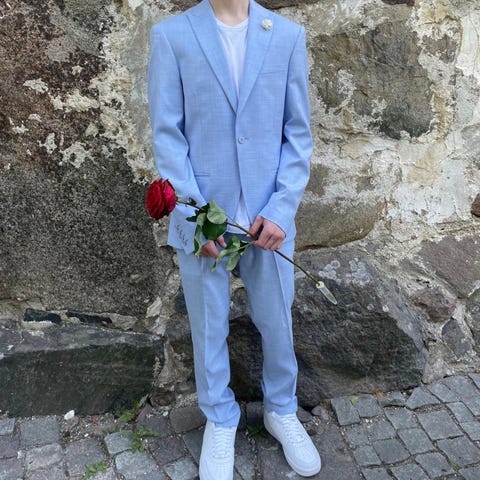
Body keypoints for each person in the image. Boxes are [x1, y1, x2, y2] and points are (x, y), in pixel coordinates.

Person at [148, 0, 321, 478]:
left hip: (268, 222)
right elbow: (168, 136)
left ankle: (281, 409)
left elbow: (298, 133)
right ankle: (220, 418)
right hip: (206, 219)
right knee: (208, 327)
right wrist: (195, 219)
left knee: (277, 320)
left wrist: (282, 208)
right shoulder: (172, 36)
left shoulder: (286, 35)